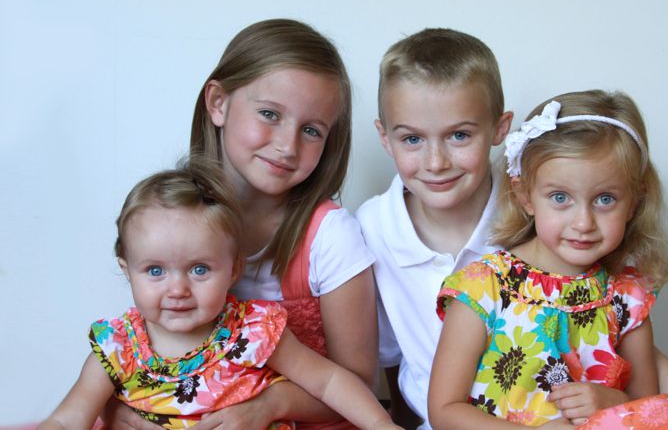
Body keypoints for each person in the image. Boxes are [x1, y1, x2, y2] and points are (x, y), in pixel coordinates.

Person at [106, 19, 377, 430]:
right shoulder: (170, 217)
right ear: (218, 103)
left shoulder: (330, 237)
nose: (288, 145)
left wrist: (267, 405)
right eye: (269, 113)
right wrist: (121, 412)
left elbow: (359, 386)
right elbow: (136, 351)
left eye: (311, 130)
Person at [427, 90, 668, 429]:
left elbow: (647, 406)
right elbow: (444, 412)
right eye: (560, 197)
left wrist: (615, 402)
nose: (583, 223)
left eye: (605, 199)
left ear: (634, 202)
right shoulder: (485, 287)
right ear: (524, 196)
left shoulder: (625, 295)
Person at [39, 160, 399, 430]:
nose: (177, 289)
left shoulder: (253, 331)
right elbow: (69, 418)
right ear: (126, 268)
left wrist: (383, 426)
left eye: (199, 270)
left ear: (234, 270)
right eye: (155, 271)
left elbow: (329, 381)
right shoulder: (119, 348)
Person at [356, 28, 514, 429]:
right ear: (385, 138)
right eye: (412, 139)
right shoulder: (374, 228)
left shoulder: (529, 214)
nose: (437, 161)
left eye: (459, 135)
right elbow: (391, 358)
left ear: (499, 128)